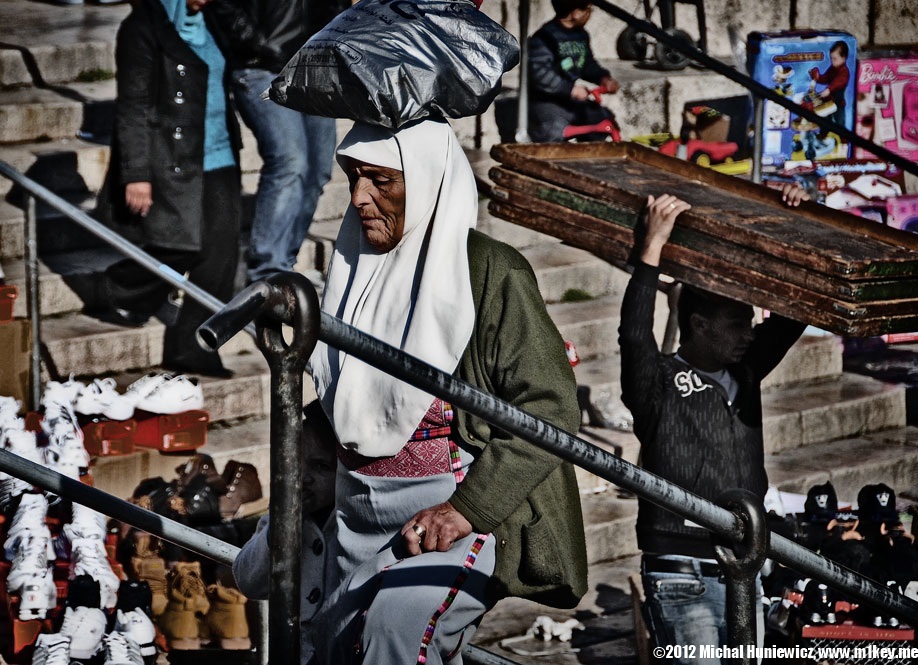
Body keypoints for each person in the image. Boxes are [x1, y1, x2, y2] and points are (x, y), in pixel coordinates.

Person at [308, 119, 587, 665]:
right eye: (354, 178)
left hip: (451, 511)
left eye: (380, 181)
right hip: (358, 514)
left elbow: (550, 406)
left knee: (398, 630)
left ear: (431, 179)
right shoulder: (352, 266)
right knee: (340, 648)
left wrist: (465, 509)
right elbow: (338, 398)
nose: (360, 198)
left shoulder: (491, 273)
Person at [620, 186, 809, 662]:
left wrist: (789, 221)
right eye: (737, 324)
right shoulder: (658, 382)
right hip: (680, 566)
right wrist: (652, 248)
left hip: (746, 562)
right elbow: (634, 333)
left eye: (750, 323)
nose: (750, 334)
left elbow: (794, 311)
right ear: (699, 323)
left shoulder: (746, 371)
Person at [93, 0, 241, 378]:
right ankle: (121, 288)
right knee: (179, 246)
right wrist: (135, 173)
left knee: (220, 259)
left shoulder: (213, 20)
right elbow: (133, 106)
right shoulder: (141, 28)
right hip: (170, 157)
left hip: (219, 153)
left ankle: (193, 347)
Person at [205, 0, 350, 285]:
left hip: (314, 66)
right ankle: (266, 273)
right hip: (261, 66)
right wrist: (255, 44)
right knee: (290, 160)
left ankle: (285, 261)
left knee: (319, 168)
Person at [233, 400, 337, 665]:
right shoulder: (281, 515)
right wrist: (280, 526)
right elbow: (248, 580)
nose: (304, 477)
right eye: (297, 462)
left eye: (321, 467)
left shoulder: (353, 521)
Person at [527, 0, 620, 143]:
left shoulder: (581, 35)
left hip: (568, 100)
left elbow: (586, 64)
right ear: (576, 12)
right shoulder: (544, 38)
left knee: (602, 118)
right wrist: (570, 89)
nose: (590, 14)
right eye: (589, 9)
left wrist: (603, 78)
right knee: (553, 131)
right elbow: (538, 73)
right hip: (545, 102)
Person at [809, 41, 851, 137]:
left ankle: (843, 138)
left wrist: (828, 89)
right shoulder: (832, 68)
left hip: (838, 101)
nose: (832, 61)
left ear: (843, 58)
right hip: (828, 99)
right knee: (824, 116)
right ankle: (823, 133)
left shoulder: (844, 71)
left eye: (835, 59)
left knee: (839, 121)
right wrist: (818, 77)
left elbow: (837, 82)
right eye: (831, 58)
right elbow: (826, 78)